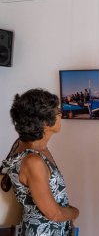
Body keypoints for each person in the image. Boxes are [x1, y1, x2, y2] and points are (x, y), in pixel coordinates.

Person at [1, 88, 79, 236]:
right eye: (57, 111)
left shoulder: (31, 147)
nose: (61, 114)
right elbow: (54, 214)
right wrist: (75, 212)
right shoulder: (33, 161)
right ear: (43, 121)